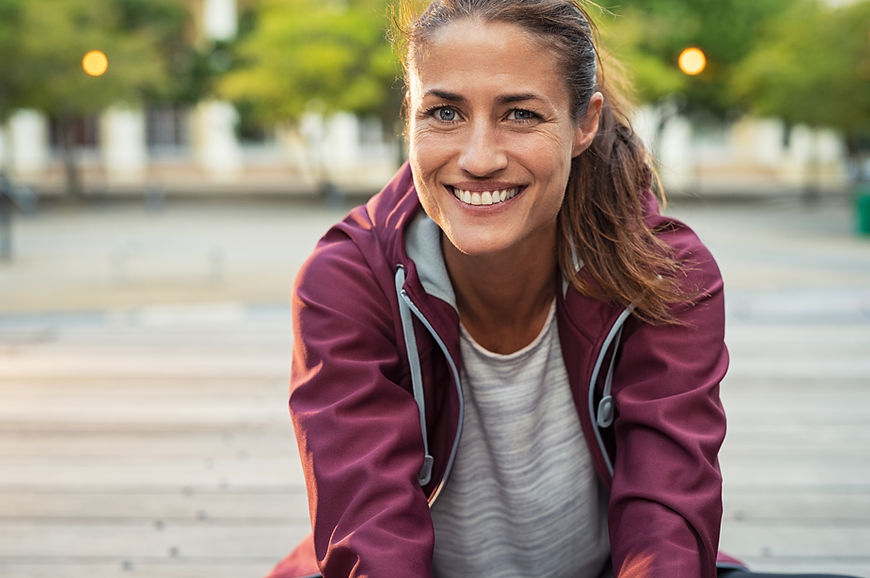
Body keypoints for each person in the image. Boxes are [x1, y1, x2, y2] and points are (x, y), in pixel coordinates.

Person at [265, 1, 860, 577]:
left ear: (585, 123)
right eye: (444, 113)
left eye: (520, 114)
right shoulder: (346, 280)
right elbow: (368, 539)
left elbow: (666, 518)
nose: (478, 158)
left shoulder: (664, 273)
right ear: (409, 115)